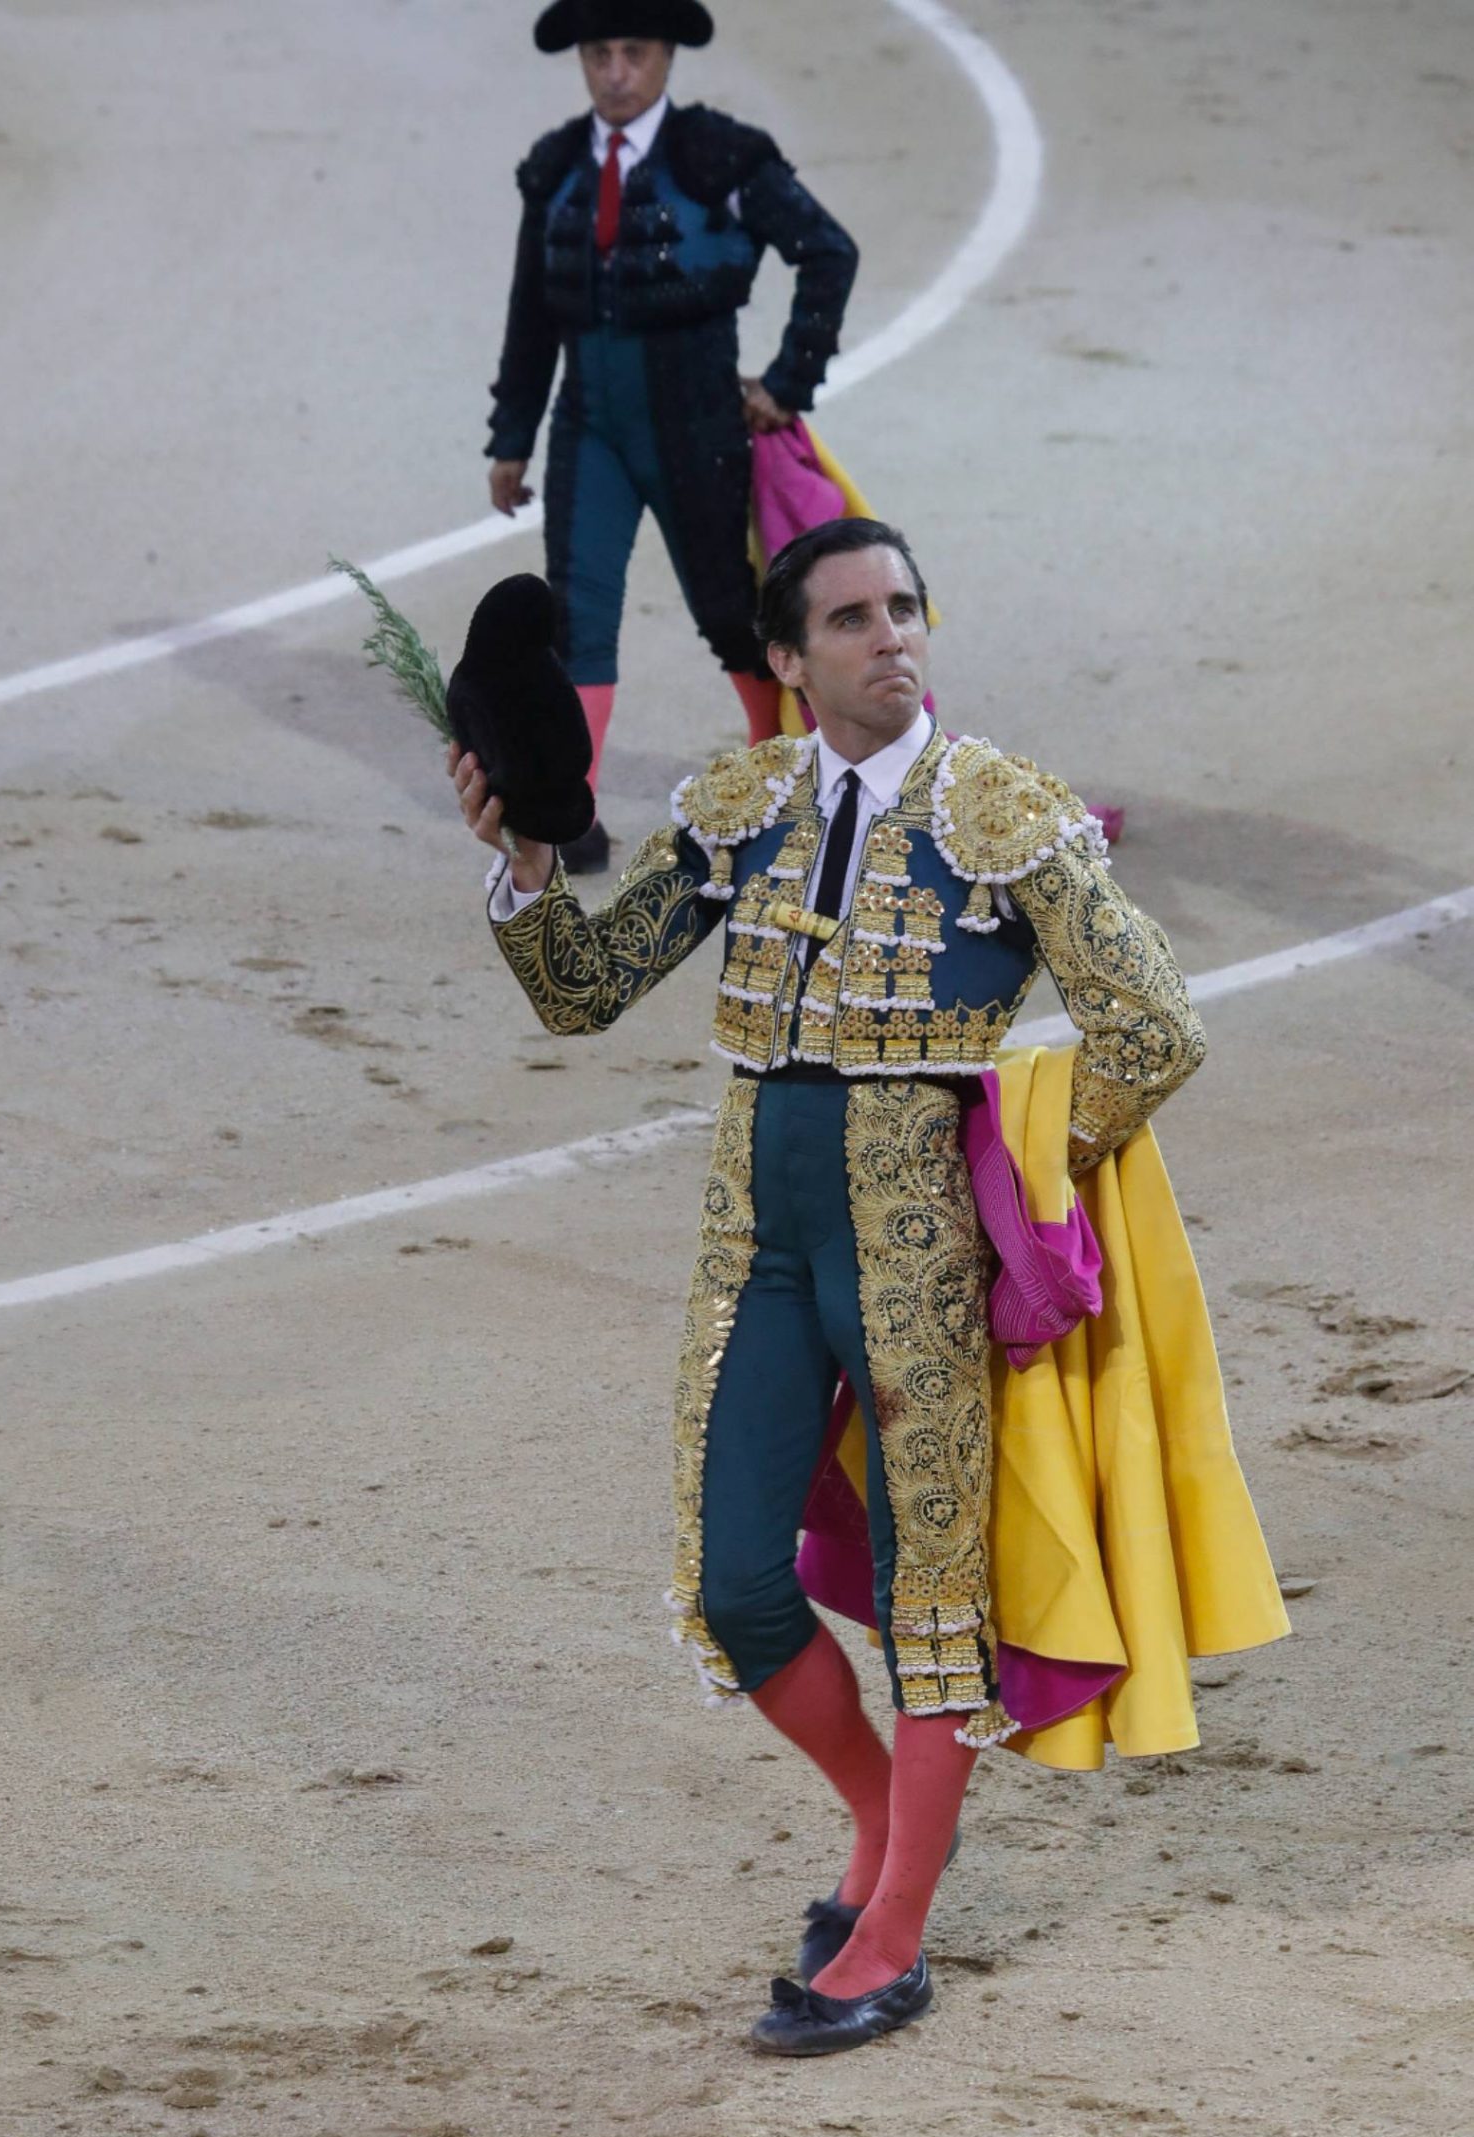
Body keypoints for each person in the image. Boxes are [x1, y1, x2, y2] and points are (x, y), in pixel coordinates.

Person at [451, 516, 1214, 2057]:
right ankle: (875, 1820)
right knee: (730, 1586)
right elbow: (582, 995)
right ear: (786, 662)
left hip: (913, 1249)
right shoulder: (742, 810)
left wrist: (1016, 1173)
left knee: (933, 1606)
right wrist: (526, 863)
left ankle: (893, 1937)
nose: (892, 638)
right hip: (761, 1243)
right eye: (853, 619)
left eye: (905, 609)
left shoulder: (1001, 814)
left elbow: (1150, 1025)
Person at [487, 1, 859, 871]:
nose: (615, 72)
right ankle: (567, 810)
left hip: (696, 425)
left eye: (633, 53)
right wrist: (512, 437)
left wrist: (786, 382)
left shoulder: (721, 158)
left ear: (664, 60)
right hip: (590, 427)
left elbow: (826, 251)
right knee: (576, 616)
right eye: (599, 54)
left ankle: (782, 781)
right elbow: (530, 312)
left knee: (733, 613)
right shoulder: (555, 170)